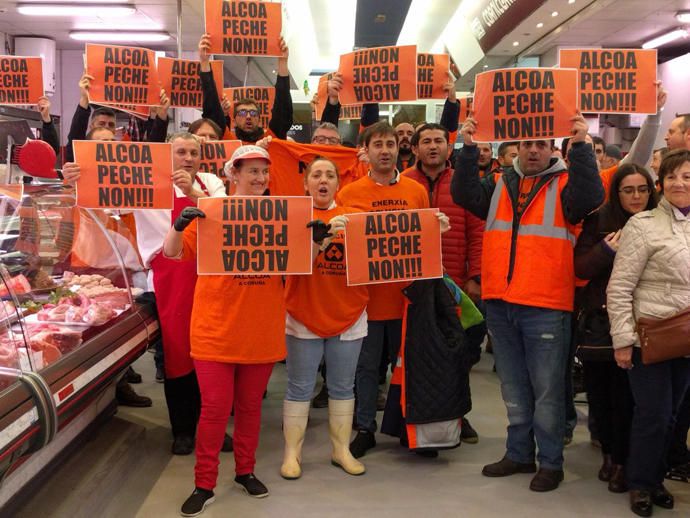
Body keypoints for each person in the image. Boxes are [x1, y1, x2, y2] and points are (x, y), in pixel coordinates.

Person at [451, 110, 604, 492]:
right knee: (515, 389)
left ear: (552, 148)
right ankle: (519, 453)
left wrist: (582, 145)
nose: (533, 151)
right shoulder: (499, 184)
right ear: (515, 147)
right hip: (501, 304)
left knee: (549, 391)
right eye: (526, 144)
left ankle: (550, 461)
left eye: (541, 145)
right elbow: (463, 193)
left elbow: (591, 195)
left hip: (546, 306)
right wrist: (467, 149)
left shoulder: (568, 187)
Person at [164, 145, 286, 516]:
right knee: (215, 410)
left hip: (260, 331)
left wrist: (314, 238)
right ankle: (204, 483)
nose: (260, 179)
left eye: (264, 172)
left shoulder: (279, 217)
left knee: (250, 409)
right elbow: (172, 253)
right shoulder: (210, 214)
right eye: (252, 171)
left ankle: (245, 471)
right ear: (232, 175)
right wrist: (179, 224)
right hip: (215, 331)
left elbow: (301, 264)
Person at [335, 122, 431, 459]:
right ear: (366, 150)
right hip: (366, 302)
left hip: (406, 300)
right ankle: (365, 429)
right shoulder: (348, 194)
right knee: (366, 370)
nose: (386, 150)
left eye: (390, 143)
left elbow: (424, 242)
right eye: (378, 144)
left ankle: (409, 427)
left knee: (407, 368)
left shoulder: (416, 192)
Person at [606, 149, 690, 517]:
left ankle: (655, 479)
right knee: (653, 413)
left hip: (688, 341)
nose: (679, 183)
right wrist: (624, 341)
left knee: (673, 416)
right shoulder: (643, 225)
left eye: (687, 176)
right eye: (671, 177)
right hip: (651, 338)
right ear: (661, 184)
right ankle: (640, 482)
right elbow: (620, 287)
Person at [281, 157, 368, 479]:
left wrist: (432, 230)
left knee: (343, 386)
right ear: (305, 183)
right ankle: (292, 454)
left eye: (330, 175)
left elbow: (387, 252)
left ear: (338, 183)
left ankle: (341, 450)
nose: (323, 180)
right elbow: (288, 267)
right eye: (316, 174)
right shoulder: (293, 217)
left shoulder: (356, 218)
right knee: (299, 387)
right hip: (303, 313)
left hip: (349, 313)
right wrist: (318, 242)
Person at [574, 164, 658, 494]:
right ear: (617, 192)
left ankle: (624, 462)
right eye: (628, 190)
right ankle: (608, 453)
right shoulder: (599, 220)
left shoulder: (661, 222)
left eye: (642, 190)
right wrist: (607, 249)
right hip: (601, 322)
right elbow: (580, 266)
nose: (636, 196)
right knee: (600, 395)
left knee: (630, 400)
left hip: (646, 322)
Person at [402, 122, 486, 442]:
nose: (433, 146)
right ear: (415, 148)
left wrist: (475, 277)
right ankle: (417, 416)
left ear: (449, 148)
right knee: (417, 355)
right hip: (415, 286)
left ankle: (458, 416)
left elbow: (477, 234)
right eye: (426, 141)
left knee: (457, 354)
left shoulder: (464, 184)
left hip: (454, 285)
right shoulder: (405, 183)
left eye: (439, 141)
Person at [198, 34, 293, 142]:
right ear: (234, 120)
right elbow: (212, 110)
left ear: (260, 120)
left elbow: (283, 112)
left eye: (253, 113)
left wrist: (283, 62)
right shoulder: (227, 141)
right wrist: (204, 62)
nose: (248, 116)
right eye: (242, 113)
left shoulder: (271, 140)